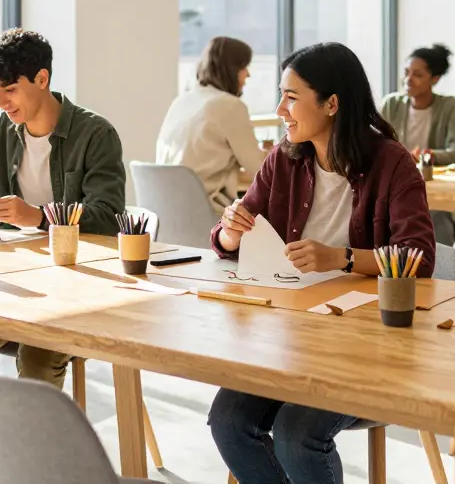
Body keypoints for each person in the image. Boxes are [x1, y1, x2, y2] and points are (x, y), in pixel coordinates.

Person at [207, 42, 435, 484]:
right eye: (280, 95)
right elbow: (228, 239)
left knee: (296, 434)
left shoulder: (393, 163)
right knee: (228, 421)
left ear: (332, 104)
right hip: (292, 337)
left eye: (291, 97)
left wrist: (343, 259)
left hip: (366, 345)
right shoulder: (283, 160)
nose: (279, 109)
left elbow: (419, 257)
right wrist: (230, 232)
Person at [0, 29, 125, 387]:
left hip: (78, 290)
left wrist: (36, 216)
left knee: (36, 359)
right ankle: (12, 432)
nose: (2, 103)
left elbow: (109, 220)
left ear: (41, 78)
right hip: (14, 282)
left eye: (10, 89)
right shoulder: (2, 130)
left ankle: (33, 438)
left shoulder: (96, 135)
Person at [156, 36, 266, 213]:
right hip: (206, 216)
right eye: (244, 67)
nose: (248, 74)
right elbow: (261, 172)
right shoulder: (229, 106)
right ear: (231, 70)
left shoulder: (181, 101)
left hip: (164, 215)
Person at [379, 43, 455, 244]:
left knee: (435, 219)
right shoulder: (391, 104)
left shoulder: (450, 107)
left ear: (434, 79)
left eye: (417, 75)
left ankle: (439, 271)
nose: (408, 80)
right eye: (406, 72)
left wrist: (425, 156)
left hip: (435, 195)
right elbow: (375, 146)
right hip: (395, 189)